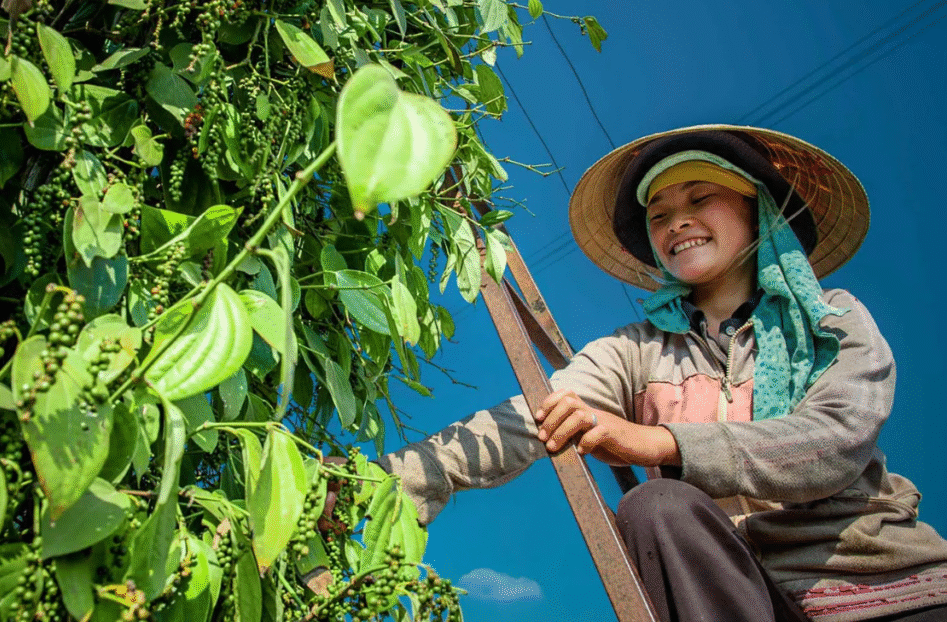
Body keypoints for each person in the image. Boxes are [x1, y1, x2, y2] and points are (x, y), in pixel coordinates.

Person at [374, 126, 947, 621]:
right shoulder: (638, 352)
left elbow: (834, 439)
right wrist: (381, 483)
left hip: (883, 591)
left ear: (758, 211)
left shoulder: (831, 319)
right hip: (737, 596)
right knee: (657, 507)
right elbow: (534, 415)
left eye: (701, 197)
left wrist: (659, 442)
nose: (679, 222)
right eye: (660, 214)